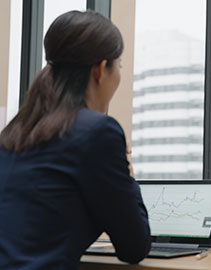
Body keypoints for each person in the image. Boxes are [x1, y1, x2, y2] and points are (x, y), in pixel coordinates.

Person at [0, 11, 151, 269]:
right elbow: (134, 246)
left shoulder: (15, 132)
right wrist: (125, 169)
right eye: (120, 65)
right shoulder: (97, 131)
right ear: (100, 70)